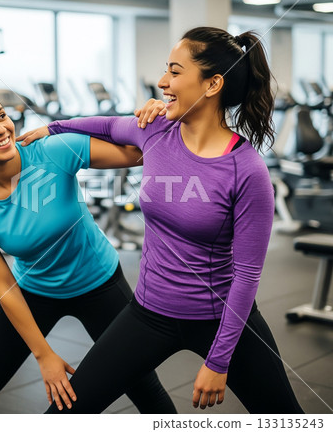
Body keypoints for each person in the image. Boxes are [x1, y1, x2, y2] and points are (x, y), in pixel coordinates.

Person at [18, 27, 304, 413]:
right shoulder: (156, 130)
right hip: (149, 312)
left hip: (219, 317)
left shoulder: (247, 170)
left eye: (175, 71)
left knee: (285, 418)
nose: (162, 81)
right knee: (65, 413)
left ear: (212, 84)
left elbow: (248, 275)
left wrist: (219, 362)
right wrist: (51, 128)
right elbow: (103, 125)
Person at [0, 83, 176, 414]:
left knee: (143, 383)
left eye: (0, 116)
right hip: (33, 291)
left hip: (100, 283)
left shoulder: (51, 151)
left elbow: (141, 152)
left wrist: (156, 119)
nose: (0, 130)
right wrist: (44, 354)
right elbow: (3, 287)